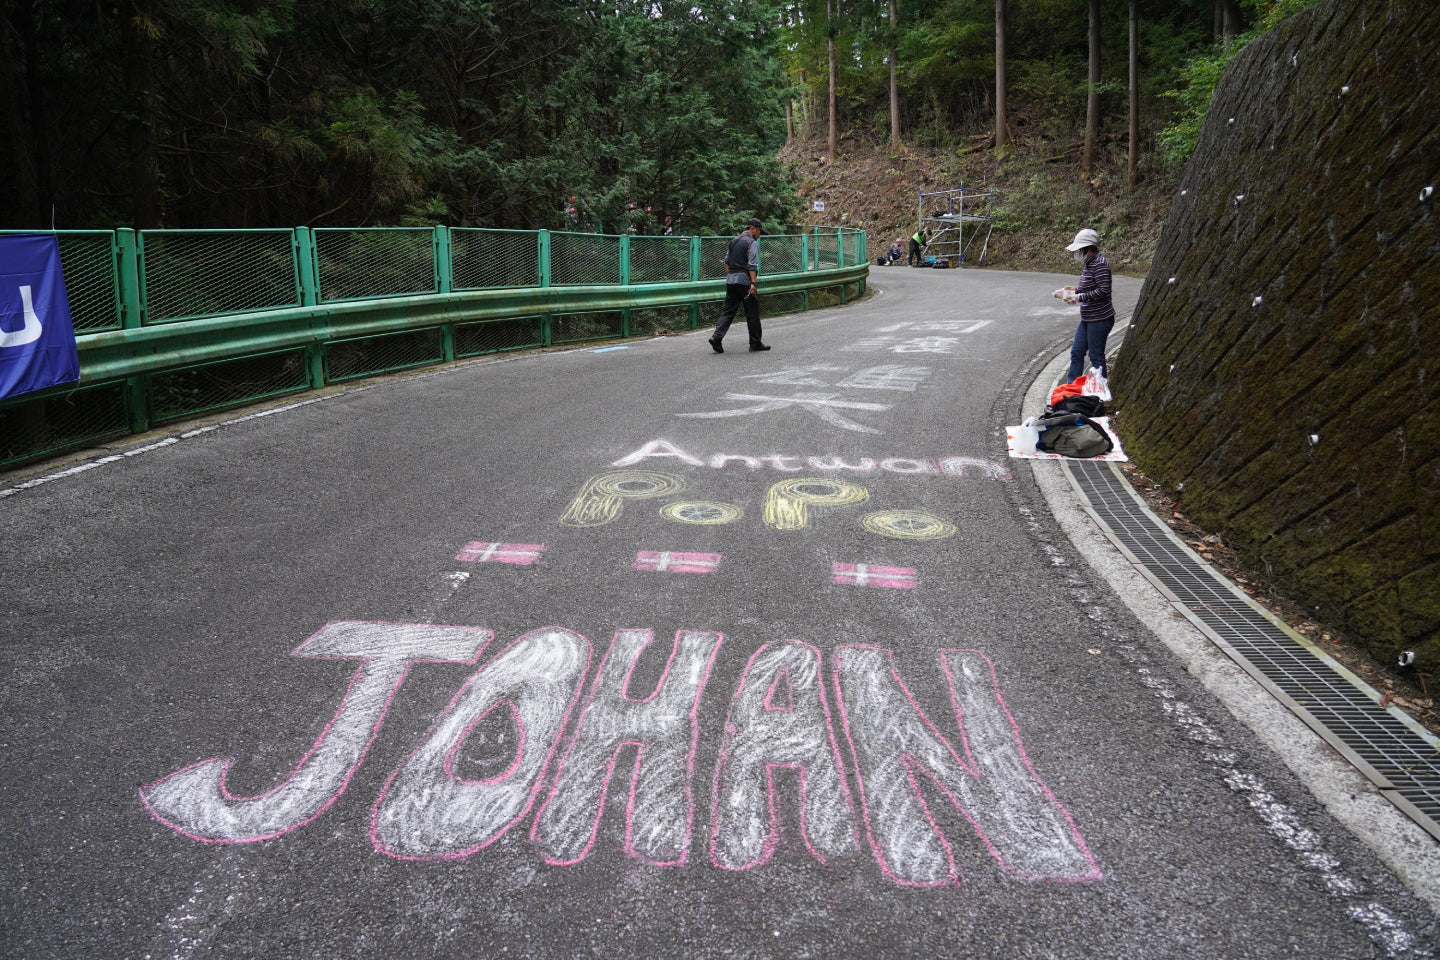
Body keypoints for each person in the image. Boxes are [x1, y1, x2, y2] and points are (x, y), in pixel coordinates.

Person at [1059, 227, 1115, 382]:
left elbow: (1103, 290)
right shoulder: (1089, 263)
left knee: (1096, 356)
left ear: (1088, 248)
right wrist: (1067, 292)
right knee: (1076, 352)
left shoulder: (1100, 264)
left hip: (1100, 319)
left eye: (1078, 249)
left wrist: (1079, 297)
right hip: (1087, 318)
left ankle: (1100, 392)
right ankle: (1071, 391)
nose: (1074, 253)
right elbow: (1084, 289)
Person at [708, 218, 769, 353]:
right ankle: (755, 343)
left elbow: (726, 262)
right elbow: (752, 265)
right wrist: (753, 283)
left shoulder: (734, 241)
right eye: (759, 232)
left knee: (728, 311)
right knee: (752, 312)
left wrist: (730, 277)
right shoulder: (751, 243)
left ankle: (716, 337)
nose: (759, 235)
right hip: (744, 282)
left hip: (731, 280)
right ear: (753, 229)